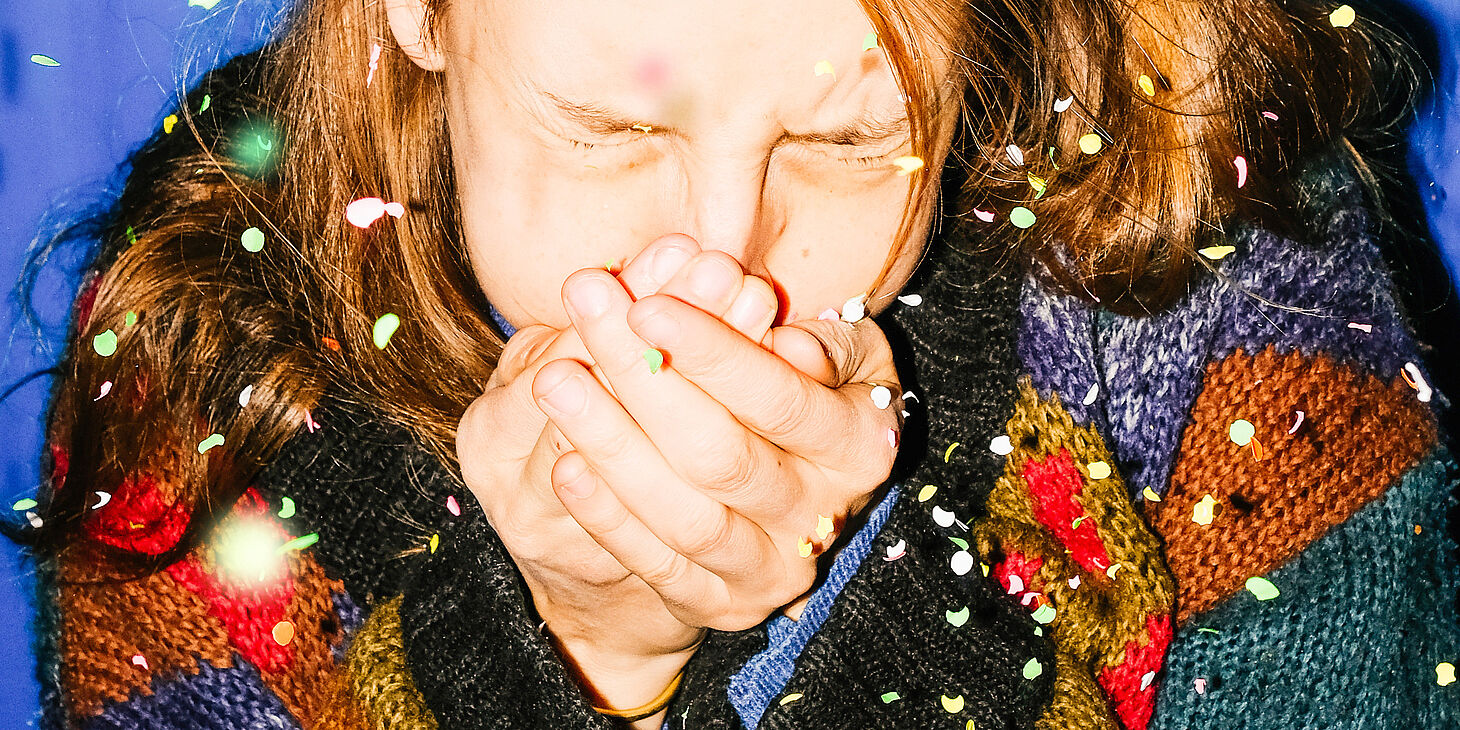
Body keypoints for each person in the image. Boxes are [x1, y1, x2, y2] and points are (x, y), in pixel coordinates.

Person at [11, 0, 1458, 727]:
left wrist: (877, 615)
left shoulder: (1233, 286)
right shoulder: (212, 334)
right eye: (611, 129)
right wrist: (564, 656)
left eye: (847, 142)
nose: (722, 256)